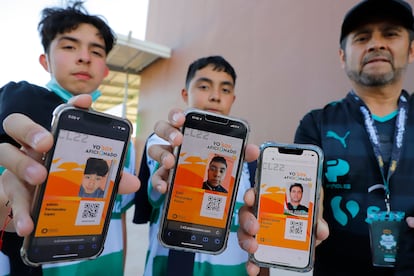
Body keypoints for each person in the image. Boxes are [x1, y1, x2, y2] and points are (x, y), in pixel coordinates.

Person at [238, 0, 414, 275]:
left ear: (411, 49)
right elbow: (304, 193)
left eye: (390, 34)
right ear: (343, 57)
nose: (376, 44)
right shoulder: (317, 124)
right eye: (362, 37)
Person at [0, 2, 139, 275]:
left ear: (106, 69)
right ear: (45, 61)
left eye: (96, 51)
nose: (84, 57)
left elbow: (117, 215)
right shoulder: (20, 102)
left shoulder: (120, 137)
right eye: (69, 46)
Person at [133, 55, 257, 275]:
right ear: (185, 93)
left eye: (225, 90)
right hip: (170, 267)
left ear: (233, 99)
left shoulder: (248, 160)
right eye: (204, 86)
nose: (215, 96)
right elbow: (153, 196)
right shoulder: (163, 142)